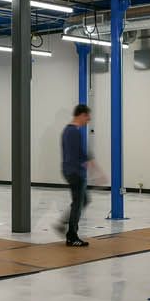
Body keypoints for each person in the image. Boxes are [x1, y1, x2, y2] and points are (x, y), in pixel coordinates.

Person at [57, 103, 97, 247]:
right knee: (79, 203)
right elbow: (80, 155)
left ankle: (63, 224)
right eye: (87, 117)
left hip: (69, 171)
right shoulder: (74, 132)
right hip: (75, 173)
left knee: (82, 201)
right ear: (82, 115)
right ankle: (72, 236)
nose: (88, 120)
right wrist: (93, 169)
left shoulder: (67, 131)